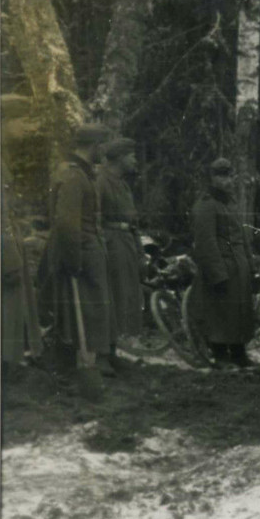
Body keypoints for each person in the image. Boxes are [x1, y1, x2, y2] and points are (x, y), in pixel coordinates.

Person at [42, 123, 113, 400]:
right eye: (103, 147)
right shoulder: (73, 176)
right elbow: (67, 224)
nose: (104, 154)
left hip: (85, 254)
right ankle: (68, 374)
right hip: (79, 256)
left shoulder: (81, 174)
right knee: (74, 315)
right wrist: (74, 261)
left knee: (86, 313)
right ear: (95, 146)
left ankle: (79, 369)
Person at [191, 158, 254, 368]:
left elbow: (241, 236)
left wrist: (248, 262)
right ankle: (220, 355)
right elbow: (206, 242)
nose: (227, 181)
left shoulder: (229, 202)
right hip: (222, 267)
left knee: (238, 312)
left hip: (238, 267)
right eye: (222, 176)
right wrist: (217, 273)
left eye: (229, 176)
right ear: (212, 178)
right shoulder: (206, 204)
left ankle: (238, 353)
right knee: (219, 314)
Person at [0, 96, 43, 380]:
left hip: (5, 240)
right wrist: (10, 256)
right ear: (3, 121)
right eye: (23, 120)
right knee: (6, 306)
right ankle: (3, 368)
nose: (29, 128)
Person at [96, 137, 143, 372]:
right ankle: (102, 356)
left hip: (125, 244)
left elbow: (132, 220)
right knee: (110, 297)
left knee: (124, 298)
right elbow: (96, 218)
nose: (135, 160)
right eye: (132, 156)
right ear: (121, 157)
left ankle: (112, 351)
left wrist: (138, 249)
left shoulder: (123, 185)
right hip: (110, 245)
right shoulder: (101, 182)